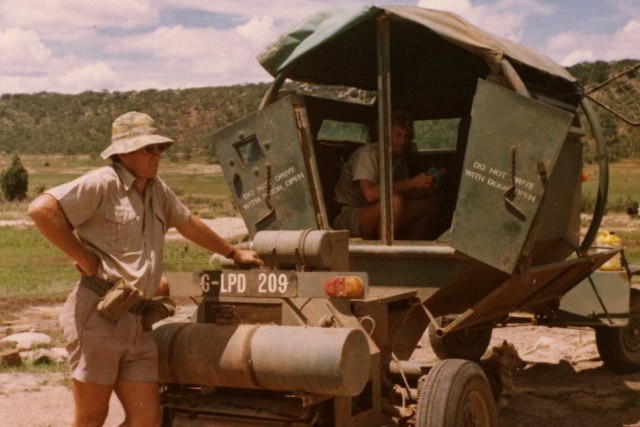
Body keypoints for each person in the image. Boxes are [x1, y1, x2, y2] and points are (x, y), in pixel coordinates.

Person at [28, 111, 263, 427]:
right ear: (124, 152)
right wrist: (82, 257)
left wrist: (233, 252)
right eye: (147, 149)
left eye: (159, 149)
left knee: (146, 420)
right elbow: (42, 209)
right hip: (99, 316)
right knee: (92, 417)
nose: (156, 156)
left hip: (140, 321)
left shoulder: (157, 189)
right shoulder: (102, 184)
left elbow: (188, 223)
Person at [332, 111, 441, 240]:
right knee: (394, 201)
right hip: (350, 215)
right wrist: (412, 182)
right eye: (398, 135)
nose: (403, 141)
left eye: (406, 136)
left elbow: (403, 190)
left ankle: (411, 249)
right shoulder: (368, 154)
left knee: (429, 204)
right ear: (385, 136)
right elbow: (370, 194)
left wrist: (423, 189)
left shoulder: (398, 158)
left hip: (379, 211)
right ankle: (386, 251)